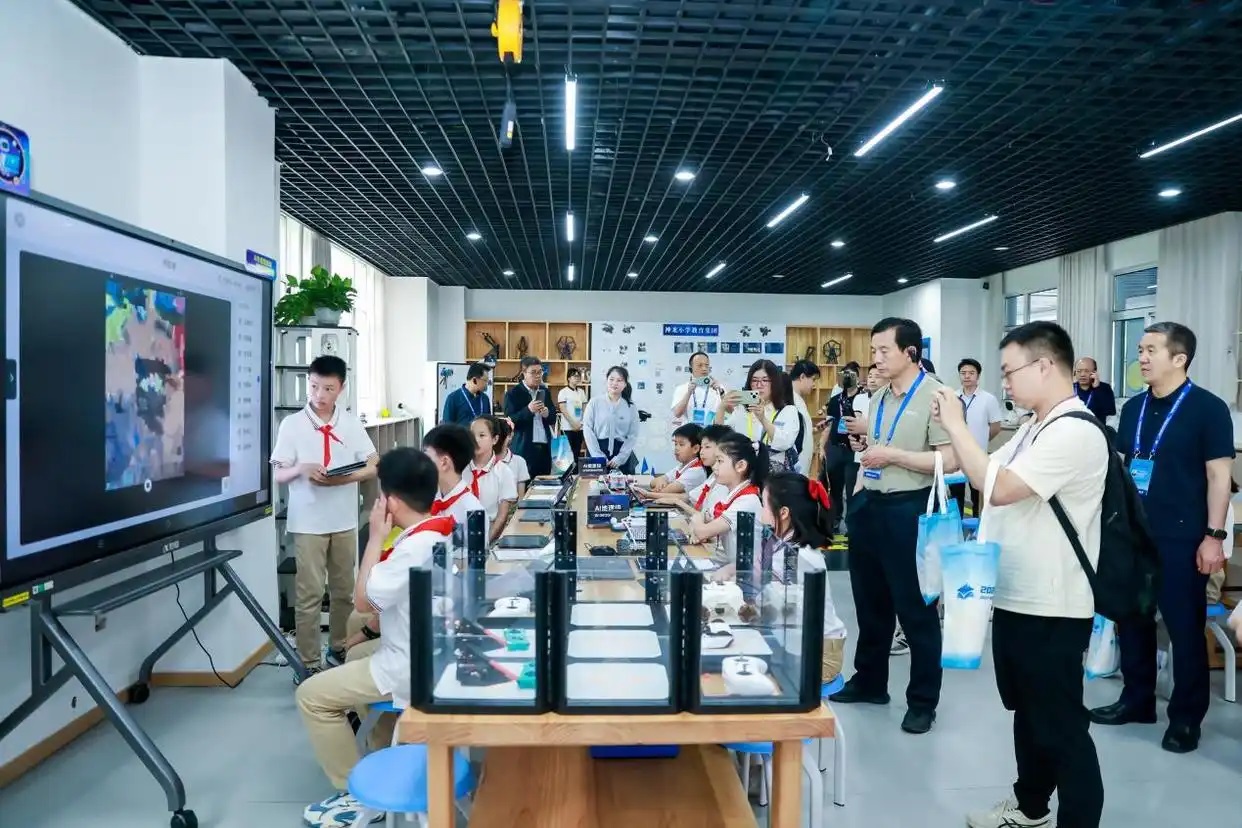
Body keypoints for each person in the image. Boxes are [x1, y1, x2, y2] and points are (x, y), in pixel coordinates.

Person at [933, 321, 1105, 828]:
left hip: (1053, 604)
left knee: (1061, 725)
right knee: (1028, 715)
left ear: (1045, 365)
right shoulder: (1034, 426)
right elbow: (980, 469)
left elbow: (1001, 487)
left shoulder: (1075, 431)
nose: (1004, 382)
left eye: (1009, 372)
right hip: (1015, 595)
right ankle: (1030, 807)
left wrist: (957, 424)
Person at [1089, 322, 1234, 754]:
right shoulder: (1134, 407)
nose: (1142, 358)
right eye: (1140, 349)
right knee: (1132, 619)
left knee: (1184, 628)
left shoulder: (1208, 409)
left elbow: (1219, 477)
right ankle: (1137, 700)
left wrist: (1214, 536)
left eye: (1151, 350)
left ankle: (1186, 718)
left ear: (1179, 358)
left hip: (1182, 536)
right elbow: (1122, 468)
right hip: (1134, 532)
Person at [297, 448, 454, 827]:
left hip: (410, 665)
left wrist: (374, 538)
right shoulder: (438, 530)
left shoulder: (411, 549)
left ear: (391, 502)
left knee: (311, 697)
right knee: (355, 656)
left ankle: (356, 794)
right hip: (435, 650)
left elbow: (363, 600)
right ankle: (383, 751)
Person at [834, 318, 954, 735]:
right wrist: (867, 456)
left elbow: (949, 459)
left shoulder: (937, 396)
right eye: (874, 351)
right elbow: (878, 448)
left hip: (909, 508)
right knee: (870, 603)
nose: (877, 358)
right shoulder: (879, 396)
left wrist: (894, 456)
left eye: (884, 350)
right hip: (871, 504)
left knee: (915, 609)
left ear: (910, 352)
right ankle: (870, 681)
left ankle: (922, 701)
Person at [270, 355, 378, 673]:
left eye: (328, 388)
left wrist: (343, 479)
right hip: (308, 523)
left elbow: (374, 464)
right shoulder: (292, 425)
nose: (319, 394)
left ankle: (339, 650)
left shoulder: (351, 423)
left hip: (344, 520)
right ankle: (308, 663)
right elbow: (278, 474)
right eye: (314, 386)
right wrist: (301, 469)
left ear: (341, 388)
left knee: (345, 592)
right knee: (310, 595)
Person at [344, 422, 486, 652]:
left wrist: (373, 624)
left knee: (360, 628)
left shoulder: (471, 511)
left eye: (425, 454)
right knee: (356, 619)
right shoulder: (428, 498)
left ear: (444, 462)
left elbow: (463, 577)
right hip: (415, 594)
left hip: (438, 610)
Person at [760, 472, 847, 683]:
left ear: (783, 513)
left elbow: (790, 606)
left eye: (764, 505)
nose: (760, 510)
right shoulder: (786, 544)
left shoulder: (801, 556)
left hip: (820, 654)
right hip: (800, 641)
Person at [690, 431, 764, 574]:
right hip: (731, 568)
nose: (714, 467)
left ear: (740, 466)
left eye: (720, 461)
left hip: (743, 575)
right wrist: (700, 523)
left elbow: (702, 530)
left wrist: (698, 523)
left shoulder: (746, 501)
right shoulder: (731, 495)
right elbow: (705, 517)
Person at [717, 359, 799, 473]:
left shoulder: (788, 410)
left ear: (775, 383)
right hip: (744, 470)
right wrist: (721, 408)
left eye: (765, 380)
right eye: (754, 380)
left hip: (773, 473)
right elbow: (721, 436)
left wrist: (762, 419)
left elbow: (784, 443)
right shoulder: (742, 409)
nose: (759, 385)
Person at [951, 358, 1003, 513]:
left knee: (977, 496)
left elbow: (995, 427)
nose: (967, 376)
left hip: (978, 456)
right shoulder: (952, 397)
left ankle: (978, 523)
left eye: (971, 373)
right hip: (956, 456)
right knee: (956, 496)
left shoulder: (988, 399)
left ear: (978, 376)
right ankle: (958, 524)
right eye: (963, 373)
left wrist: (981, 440)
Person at [822, 361, 865, 535]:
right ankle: (835, 520)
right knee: (835, 488)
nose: (847, 378)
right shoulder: (835, 400)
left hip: (853, 449)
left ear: (857, 377)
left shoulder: (862, 399)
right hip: (835, 447)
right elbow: (829, 424)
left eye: (851, 375)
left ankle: (851, 524)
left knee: (851, 488)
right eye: (844, 375)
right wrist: (822, 446)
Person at [650, 424, 731, 515]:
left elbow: (708, 518)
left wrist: (650, 494)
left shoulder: (720, 482)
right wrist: (648, 493)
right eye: (702, 447)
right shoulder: (712, 477)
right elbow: (689, 497)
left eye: (707, 447)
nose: (701, 452)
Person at [503, 356, 557, 477]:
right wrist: (528, 410)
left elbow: (553, 417)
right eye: (533, 372)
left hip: (544, 448)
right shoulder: (513, 394)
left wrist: (547, 413)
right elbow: (510, 421)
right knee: (524, 483)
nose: (538, 376)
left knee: (544, 483)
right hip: (524, 449)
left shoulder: (544, 391)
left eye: (540, 372)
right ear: (524, 373)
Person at [468, 415, 519, 545]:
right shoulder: (459, 469)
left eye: (482, 435)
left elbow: (502, 516)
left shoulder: (503, 472)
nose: (475, 440)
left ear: (495, 439)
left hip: (490, 536)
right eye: (472, 435)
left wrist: (485, 543)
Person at [582, 365, 642, 473]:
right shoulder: (594, 402)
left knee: (624, 483)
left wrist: (621, 458)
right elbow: (587, 429)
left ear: (625, 384)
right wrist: (598, 455)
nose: (615, 383)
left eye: (619, 380)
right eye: (612, 379)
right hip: (597, 450)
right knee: (597, 483)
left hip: (622, 454)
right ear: (606, 381)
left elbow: (633, 435)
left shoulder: (631, 407)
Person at [670, 350, 725, 430]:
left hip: (712, 433)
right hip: (689, 433)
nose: (704, 368)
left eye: (706, 365)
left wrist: (721, 392)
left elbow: (730, 411)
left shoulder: (718, 387)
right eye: (700, 365)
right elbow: (677, 413)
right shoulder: (682, 388)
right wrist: (689, 392)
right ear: (691, 369)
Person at [649, 423, 707, 493]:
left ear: (695, 449)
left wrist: (660, 484)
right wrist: (661, 481)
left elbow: (665, 491)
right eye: (675, 444)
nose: (676, 448)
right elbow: (652, 483)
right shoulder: (681, 467)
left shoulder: (696, 471)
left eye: (681, 444)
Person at [789, 360, 820, 475]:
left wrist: (814, 430)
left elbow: (797, 431)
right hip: (794, 468)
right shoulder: (789, 400)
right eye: (813, 379)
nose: (814, 384)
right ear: (802, 377)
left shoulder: (798, 399)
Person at [441, 362, 491, 426]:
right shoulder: (453, 398)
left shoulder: (485, 399)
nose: (487, 384)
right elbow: (447, 427)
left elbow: (489, 424)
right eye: (485, 380)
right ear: (474, 380)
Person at [557, 366, 588, 466]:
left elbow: (585, 409)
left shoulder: (581, 392)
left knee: (577, 451)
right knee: (567, 453)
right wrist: (573, 423)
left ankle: (575, 472)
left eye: (578, 376)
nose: (577, 378)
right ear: (569, 378)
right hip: (567, 427)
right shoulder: (563, 392)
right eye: (575, 376)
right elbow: (563, 409)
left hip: (580, 427)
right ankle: (568, 473)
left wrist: (581, 423)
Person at [494, 416, 530, 496]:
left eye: (502, 437)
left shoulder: (519, 462)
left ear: (510, 436)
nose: (498, 441)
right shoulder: (483, 462)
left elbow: (520, 496)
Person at [1073, 357, 1117, 423]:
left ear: (1094, 372)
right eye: (1079, 371)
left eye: (1086, 371)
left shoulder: (1105, 388)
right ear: (1074, 373)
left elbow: (1111, 411)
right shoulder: (1069, 388)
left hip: (1096, 427)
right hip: (1073, 427)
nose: (1082, 374)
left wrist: (1097, 388)